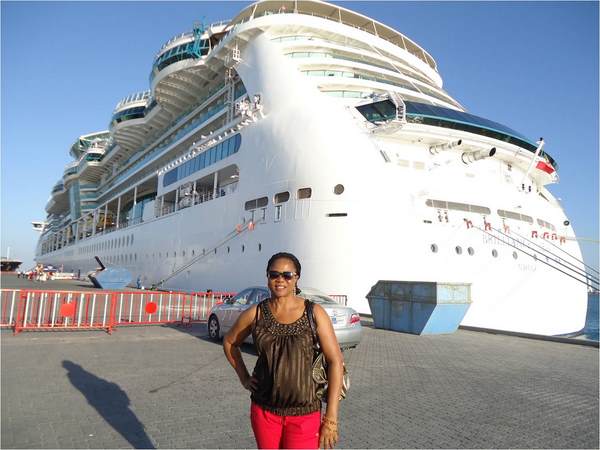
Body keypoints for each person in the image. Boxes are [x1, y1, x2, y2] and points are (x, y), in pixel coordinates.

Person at [223, 252, 344, 449]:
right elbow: (230, 342)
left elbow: (335, 361)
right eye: (274, 274)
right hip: (264, 412)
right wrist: (244, 378)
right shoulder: (256, 313)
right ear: (267, 277)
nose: (280, 280)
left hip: (305, 415)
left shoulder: (314, 313)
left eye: (287, 275)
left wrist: (331, 418)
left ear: (297, 278)